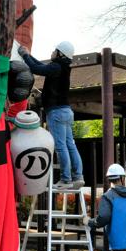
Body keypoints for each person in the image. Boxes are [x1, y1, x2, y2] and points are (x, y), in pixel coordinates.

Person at [19, 41, 84, 189]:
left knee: (61, 146)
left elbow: (36, 68)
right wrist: (28, 56)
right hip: (67, 111)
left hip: (56, 112)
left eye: (55, 50)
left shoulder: (56, 67)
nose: (53, 52)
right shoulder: (62, 67)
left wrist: (24, 55)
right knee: (70, 145)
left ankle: (66, 179)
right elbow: (41, 67)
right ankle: (78, 176)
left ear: (60, 53)